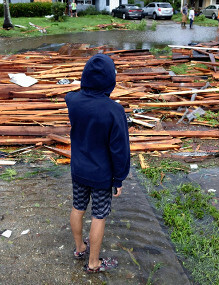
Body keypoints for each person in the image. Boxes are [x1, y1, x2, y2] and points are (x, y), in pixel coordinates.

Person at [65, 54, 130, 274]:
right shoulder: (114, 111)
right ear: (110, 81)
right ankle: (93, 263)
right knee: (98, 215)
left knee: (78, 207)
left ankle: (79, 248)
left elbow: (70, 94)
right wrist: (119, 178)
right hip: (101, 175)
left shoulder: (72, 101)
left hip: (79, 169)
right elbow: (119, 150)